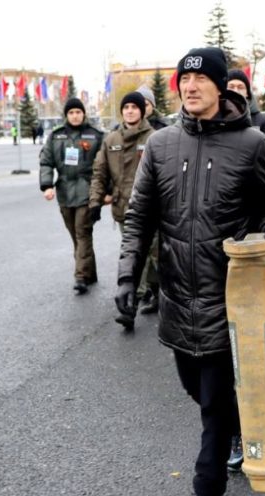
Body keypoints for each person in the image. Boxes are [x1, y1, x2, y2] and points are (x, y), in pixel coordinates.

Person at [115, 47, 265, 496]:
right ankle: (235, 428)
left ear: (220, 87)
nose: (189, 88)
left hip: (230, 297)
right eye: (183, 82)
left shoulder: (251, 143)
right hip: (175, 296)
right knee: (197, 390)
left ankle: (207, 493)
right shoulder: (162, 144)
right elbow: (138, 218)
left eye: (199, 81)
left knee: (212, 402)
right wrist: (128, 277)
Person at [89, 91, 156, 329]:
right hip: (122, 208)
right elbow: (100, 172)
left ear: (142, 111)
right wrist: (95, 202)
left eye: (134, 107)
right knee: (136, 255)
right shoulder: (111, 140)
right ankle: (138, 300)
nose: (130, 111)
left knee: (151, 256)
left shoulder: (155, 138)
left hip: (151, 209)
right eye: (126, 107)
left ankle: (142, 297)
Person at [39, 97, 104, 294]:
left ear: (84, 114)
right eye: (71, 113)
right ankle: (89, 272)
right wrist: (47, 185)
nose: (75, 116)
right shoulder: (56, 136)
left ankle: (80, 276)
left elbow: (105, 165)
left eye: (78, 112)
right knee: (76, 235)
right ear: (66, 115)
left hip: (87, 190)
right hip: (65, 192)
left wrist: (105, 191)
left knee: (82, 232)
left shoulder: (95, 135)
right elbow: (46, 161)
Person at [226, 70, 265, 189]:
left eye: (240, 87)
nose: (236, 91)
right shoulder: (213, 121)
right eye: (231, 86)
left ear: (247, 93)